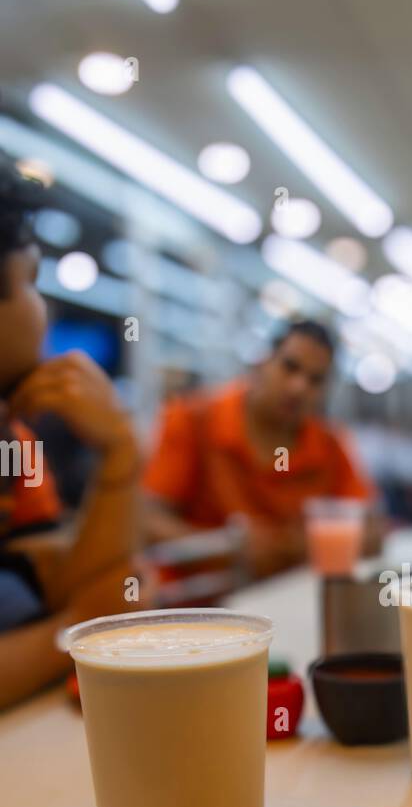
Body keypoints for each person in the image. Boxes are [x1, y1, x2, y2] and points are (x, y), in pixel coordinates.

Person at [0, 154, 140, 709]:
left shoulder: (13, 442)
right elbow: (88, 606)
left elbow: (65, 582)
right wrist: (80, 627)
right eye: (31, 281)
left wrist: (121, 450)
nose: (47, 310)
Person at [142, 321, 379, 577]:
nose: (298, 387)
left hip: (282, 601)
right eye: (290, 367)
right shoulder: (192, 421)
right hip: (197, 605)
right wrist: (226, 548)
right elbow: (146, 521)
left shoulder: (329, 446)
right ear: (262, 362)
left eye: (315, 380)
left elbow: (373, 531)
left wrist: (298, 546)